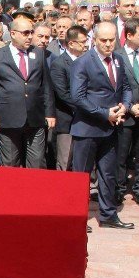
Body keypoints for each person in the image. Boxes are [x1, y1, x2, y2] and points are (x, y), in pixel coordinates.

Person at [70, 22, 133, 230]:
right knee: (82, 176)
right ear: (94, 40)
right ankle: (78, 217)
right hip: (87, 128)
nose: (108, 44)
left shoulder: (119, 60)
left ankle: (108, 215)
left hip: (111, 128)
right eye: (103, 40)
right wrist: (104, 113)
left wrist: (125, 106)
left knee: (109, 173)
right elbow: (78, 97)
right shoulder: (83, 62)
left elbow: (125, 87)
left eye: (111, 40)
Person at [0, 13, 54, 169]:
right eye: (25, 33)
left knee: (36, 162)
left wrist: (50, 112)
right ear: (13, 34)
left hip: (35, 118)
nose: (30, 37)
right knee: (10, 163)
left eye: (31, 32)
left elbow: (46, 85)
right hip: (8, 119)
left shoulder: (38, 53)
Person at [115, 19, 139, 204]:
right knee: (121, 155)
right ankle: (119, 189)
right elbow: (115, 87)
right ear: (129, 35)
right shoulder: (117, 56)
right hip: (125, 115)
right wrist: (129, 107)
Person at [48, 25, 87, 171]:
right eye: (82, 42)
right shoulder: (59, 64)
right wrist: (86, 107)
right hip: (67, 120)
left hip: (86, 120)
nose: (85, 45)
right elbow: (62, 93)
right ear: (71, 43)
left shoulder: (87, 61)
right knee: (65, 160)